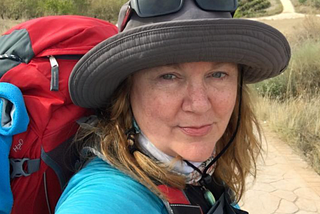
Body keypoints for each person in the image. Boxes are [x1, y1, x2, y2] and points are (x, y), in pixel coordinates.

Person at [55, 0, 291, 213]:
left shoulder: (201, 174)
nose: (199, 105)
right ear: (125, 93)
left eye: (218, 74)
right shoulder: (105, 201)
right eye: (168, 76)